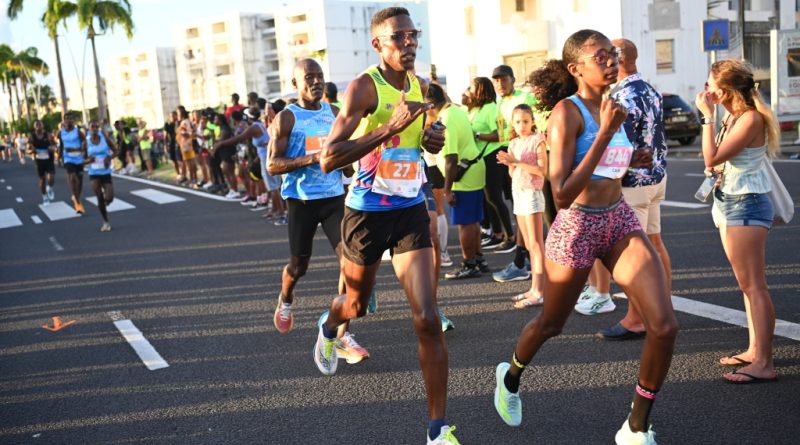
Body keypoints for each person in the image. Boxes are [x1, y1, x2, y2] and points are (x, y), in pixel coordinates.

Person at [492, 30, 677, 445]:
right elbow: (561, 191)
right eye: (601, 56)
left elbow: (610, 170)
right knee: (551, 324)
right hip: (577, 226)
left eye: (613, 55)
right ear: (577, 68)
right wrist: (609, 134)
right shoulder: (567, 113)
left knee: (663, 326)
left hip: (618, 219)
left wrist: (631, 160)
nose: (611, 61)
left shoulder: (615, 105)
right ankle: (512, 375)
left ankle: (636, 427)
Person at [316, 7, 458, 444]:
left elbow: (419, 143)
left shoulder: (423, 87)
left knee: (427, 317)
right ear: (378, 44)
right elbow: (329, 157)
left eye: (413, 34)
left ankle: (437, 430)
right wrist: (388, 128)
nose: (409, 42)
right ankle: (328, 327)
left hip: (410, 207)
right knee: (355, 305)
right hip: (366, 212)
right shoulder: (364, 87)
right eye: (399, 37)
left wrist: (430, 140)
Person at [267, 58, 370, 363]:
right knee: (299, 266)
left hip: (333, 198)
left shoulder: (335, 113)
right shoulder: (287, 118)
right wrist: (313, 158)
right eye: (308, 77)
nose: (316, 81)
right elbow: (273, 164)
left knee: (350, 263)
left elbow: (344, 155)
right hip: (300, 201)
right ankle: (286, 297)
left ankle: (340, 334)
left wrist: (350, 165)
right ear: (295, 83)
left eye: (320, 76)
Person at [695, 59, 780, 384]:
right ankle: (754, 349)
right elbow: (719, 160)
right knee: (747, 286)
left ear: (726, 90)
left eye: (710, 85)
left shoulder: (749, 119)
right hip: (730, 200)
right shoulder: (735, 118)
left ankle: (764, 363)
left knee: (755, 287)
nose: (706, 91)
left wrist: (707, 118)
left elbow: (711, 156)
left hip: (746, 204)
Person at [593, 38, 672, 338]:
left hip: (632, 181)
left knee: (633, 253)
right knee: (655, 242)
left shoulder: (622, 96)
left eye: (606, 57)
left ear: (618, 60)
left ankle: (636, 317)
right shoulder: (649, 89)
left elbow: (619, 147)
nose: (603, 63)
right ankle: (662, 305)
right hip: (656, 176)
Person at [425, 82, 487, 280]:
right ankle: (478, 259)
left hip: (463, 175)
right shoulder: (456, 110)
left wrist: (447, 189)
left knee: (465, 223)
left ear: (430, 105)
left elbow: (451, 158)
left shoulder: (446, 120)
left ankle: (468, 263)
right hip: (474, 168)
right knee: (473, 220)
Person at [496, 104, 547, 308]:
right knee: (528, 244)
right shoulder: (514, 143)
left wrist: (515, 161)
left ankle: (540, 291)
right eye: (517, 122)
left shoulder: (538, 140)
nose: (522, 125)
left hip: (533, 194)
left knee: (536, 245)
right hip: (519, 193)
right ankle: (534, 289)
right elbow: (512, 173)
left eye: (526, 121)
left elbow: (542, 170)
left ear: (533, 121)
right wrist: (510, 163)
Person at [490, 65, 536, 256]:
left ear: (513, 79)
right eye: (496, 80)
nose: (500, 83)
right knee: (515, 200)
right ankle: (521, 248)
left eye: (504, 79)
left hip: (525, 152)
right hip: (507, 151)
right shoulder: (500, 102)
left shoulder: (524, 98)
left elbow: (536, 125)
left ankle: (528, 251)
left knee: (529, 204)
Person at [83, 120, 117, 232]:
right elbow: (81, 160)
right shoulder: (85, 142)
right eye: (93, 126)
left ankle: (105, 202)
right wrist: (88, 160)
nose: (95, 128)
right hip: (94, 173)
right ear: (89, 128)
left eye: (97, 126)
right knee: (99, 197)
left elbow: (115, 150)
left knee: (110, 197)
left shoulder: (104, 138)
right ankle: (105, 222)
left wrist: (109, 158)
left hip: (105, 171)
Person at [59, 113, 87, 214]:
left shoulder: (78, 131)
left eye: (71, 119)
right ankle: (77, 202)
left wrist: (82, 149)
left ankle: (76, 197)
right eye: (67, 119)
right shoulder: (61, 132)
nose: (69, 121)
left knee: (79, 180)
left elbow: (85, 141)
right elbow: (61, 146)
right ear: (64, 121)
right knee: (72, 176)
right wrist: (59, 158)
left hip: (78, 158)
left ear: (73, 121)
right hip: (68, 158)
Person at [28, 120, 57, 206]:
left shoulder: (48, 135)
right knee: (42, 179)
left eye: (40, 125)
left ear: (43, 126)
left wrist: (52, 148)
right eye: (36, 125)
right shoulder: (32, 137)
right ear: (34, 127)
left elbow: (55, 145)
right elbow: (28, 148)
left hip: (49, 159)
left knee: (51, 177)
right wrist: (31, 150)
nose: (38, 126)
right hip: (39, 160)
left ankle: (50, 188)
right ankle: (44, 197)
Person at [176, 106, 197, 184]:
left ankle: (193, 179)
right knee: (190, 162)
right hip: (186, 144)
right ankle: (193, 178)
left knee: (190, 162)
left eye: (178, 112)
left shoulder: (184, 122)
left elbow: (187, 133)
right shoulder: (186, 121)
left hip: (186, 144)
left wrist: (181, 133)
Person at [164, 111, 182, 180]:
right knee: (174, 160)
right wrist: (166, 145)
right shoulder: (167, 125)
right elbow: (165, 136)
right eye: (171, 116)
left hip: (178, 143)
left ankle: (182, 173)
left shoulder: (178, 123)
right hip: (171, 143)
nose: (173, 117)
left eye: (174, 116)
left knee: (180, 160)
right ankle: (178, 174)